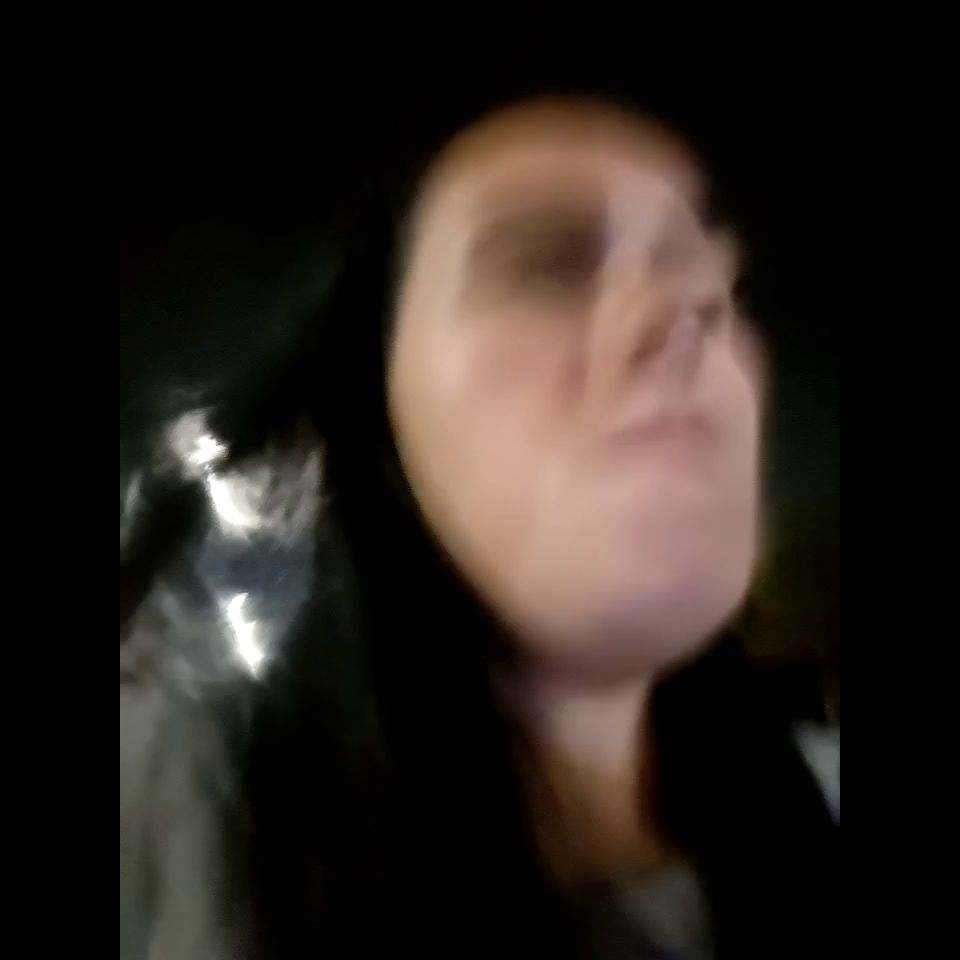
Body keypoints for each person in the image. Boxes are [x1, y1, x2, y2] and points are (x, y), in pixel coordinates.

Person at [120, 94, 838, 959]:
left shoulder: (814, 798)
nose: (691, 313)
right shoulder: (178, 809)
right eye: (544, 265)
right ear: (368, 414)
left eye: (720, 282)